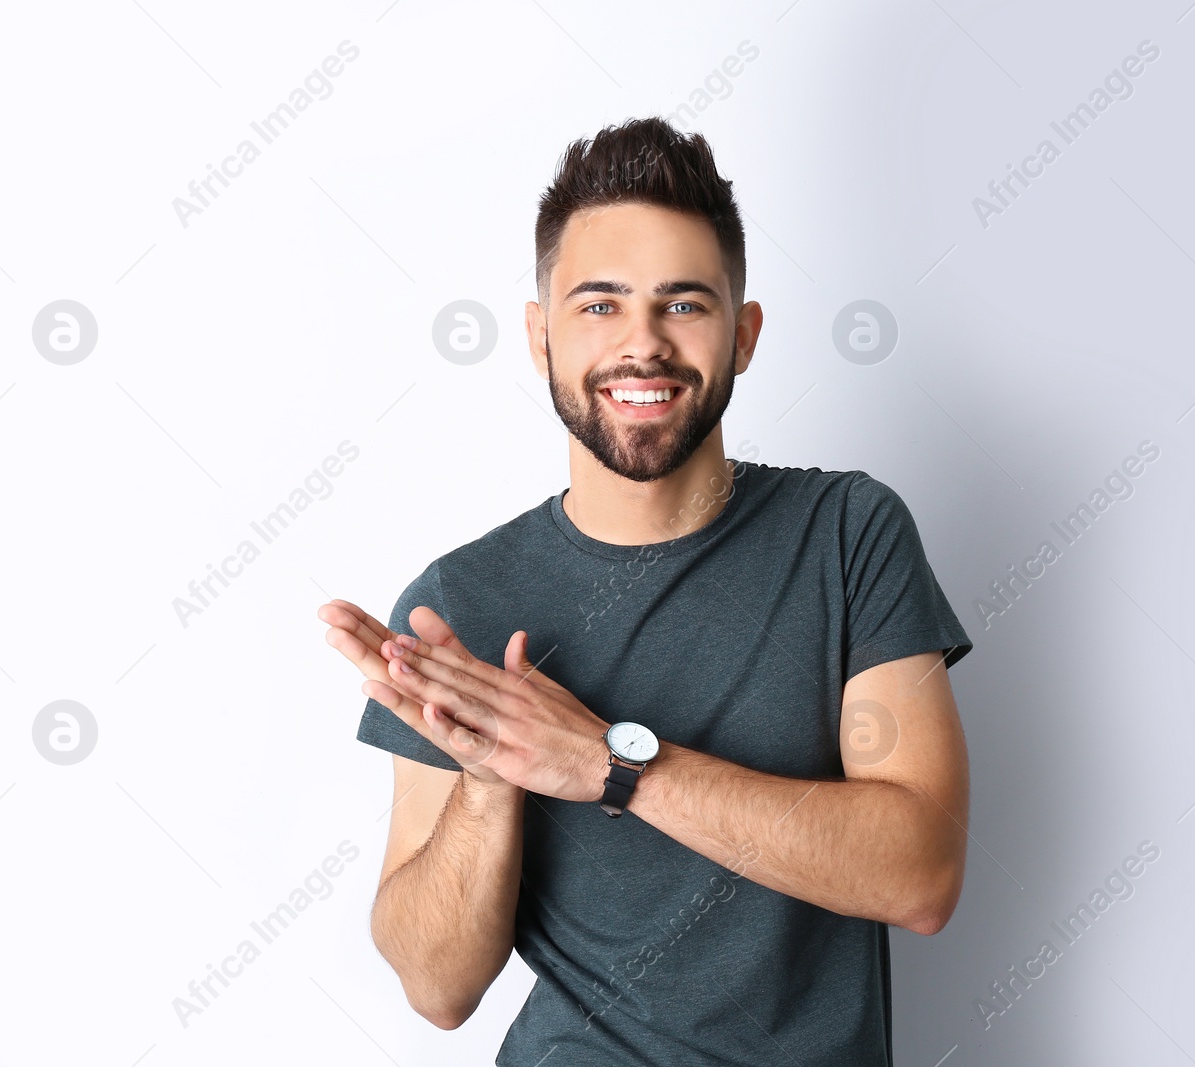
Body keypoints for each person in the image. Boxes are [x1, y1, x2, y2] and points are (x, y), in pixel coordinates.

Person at [319, 115, 974, 1067]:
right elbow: (437, 987)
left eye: (683, 304)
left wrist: (613, 766)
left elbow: (921, 872)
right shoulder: (458, 601)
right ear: (540, 338)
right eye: (599, 306)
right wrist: (491, 776)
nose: (643, 345)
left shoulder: (848, 535)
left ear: (743, 334)